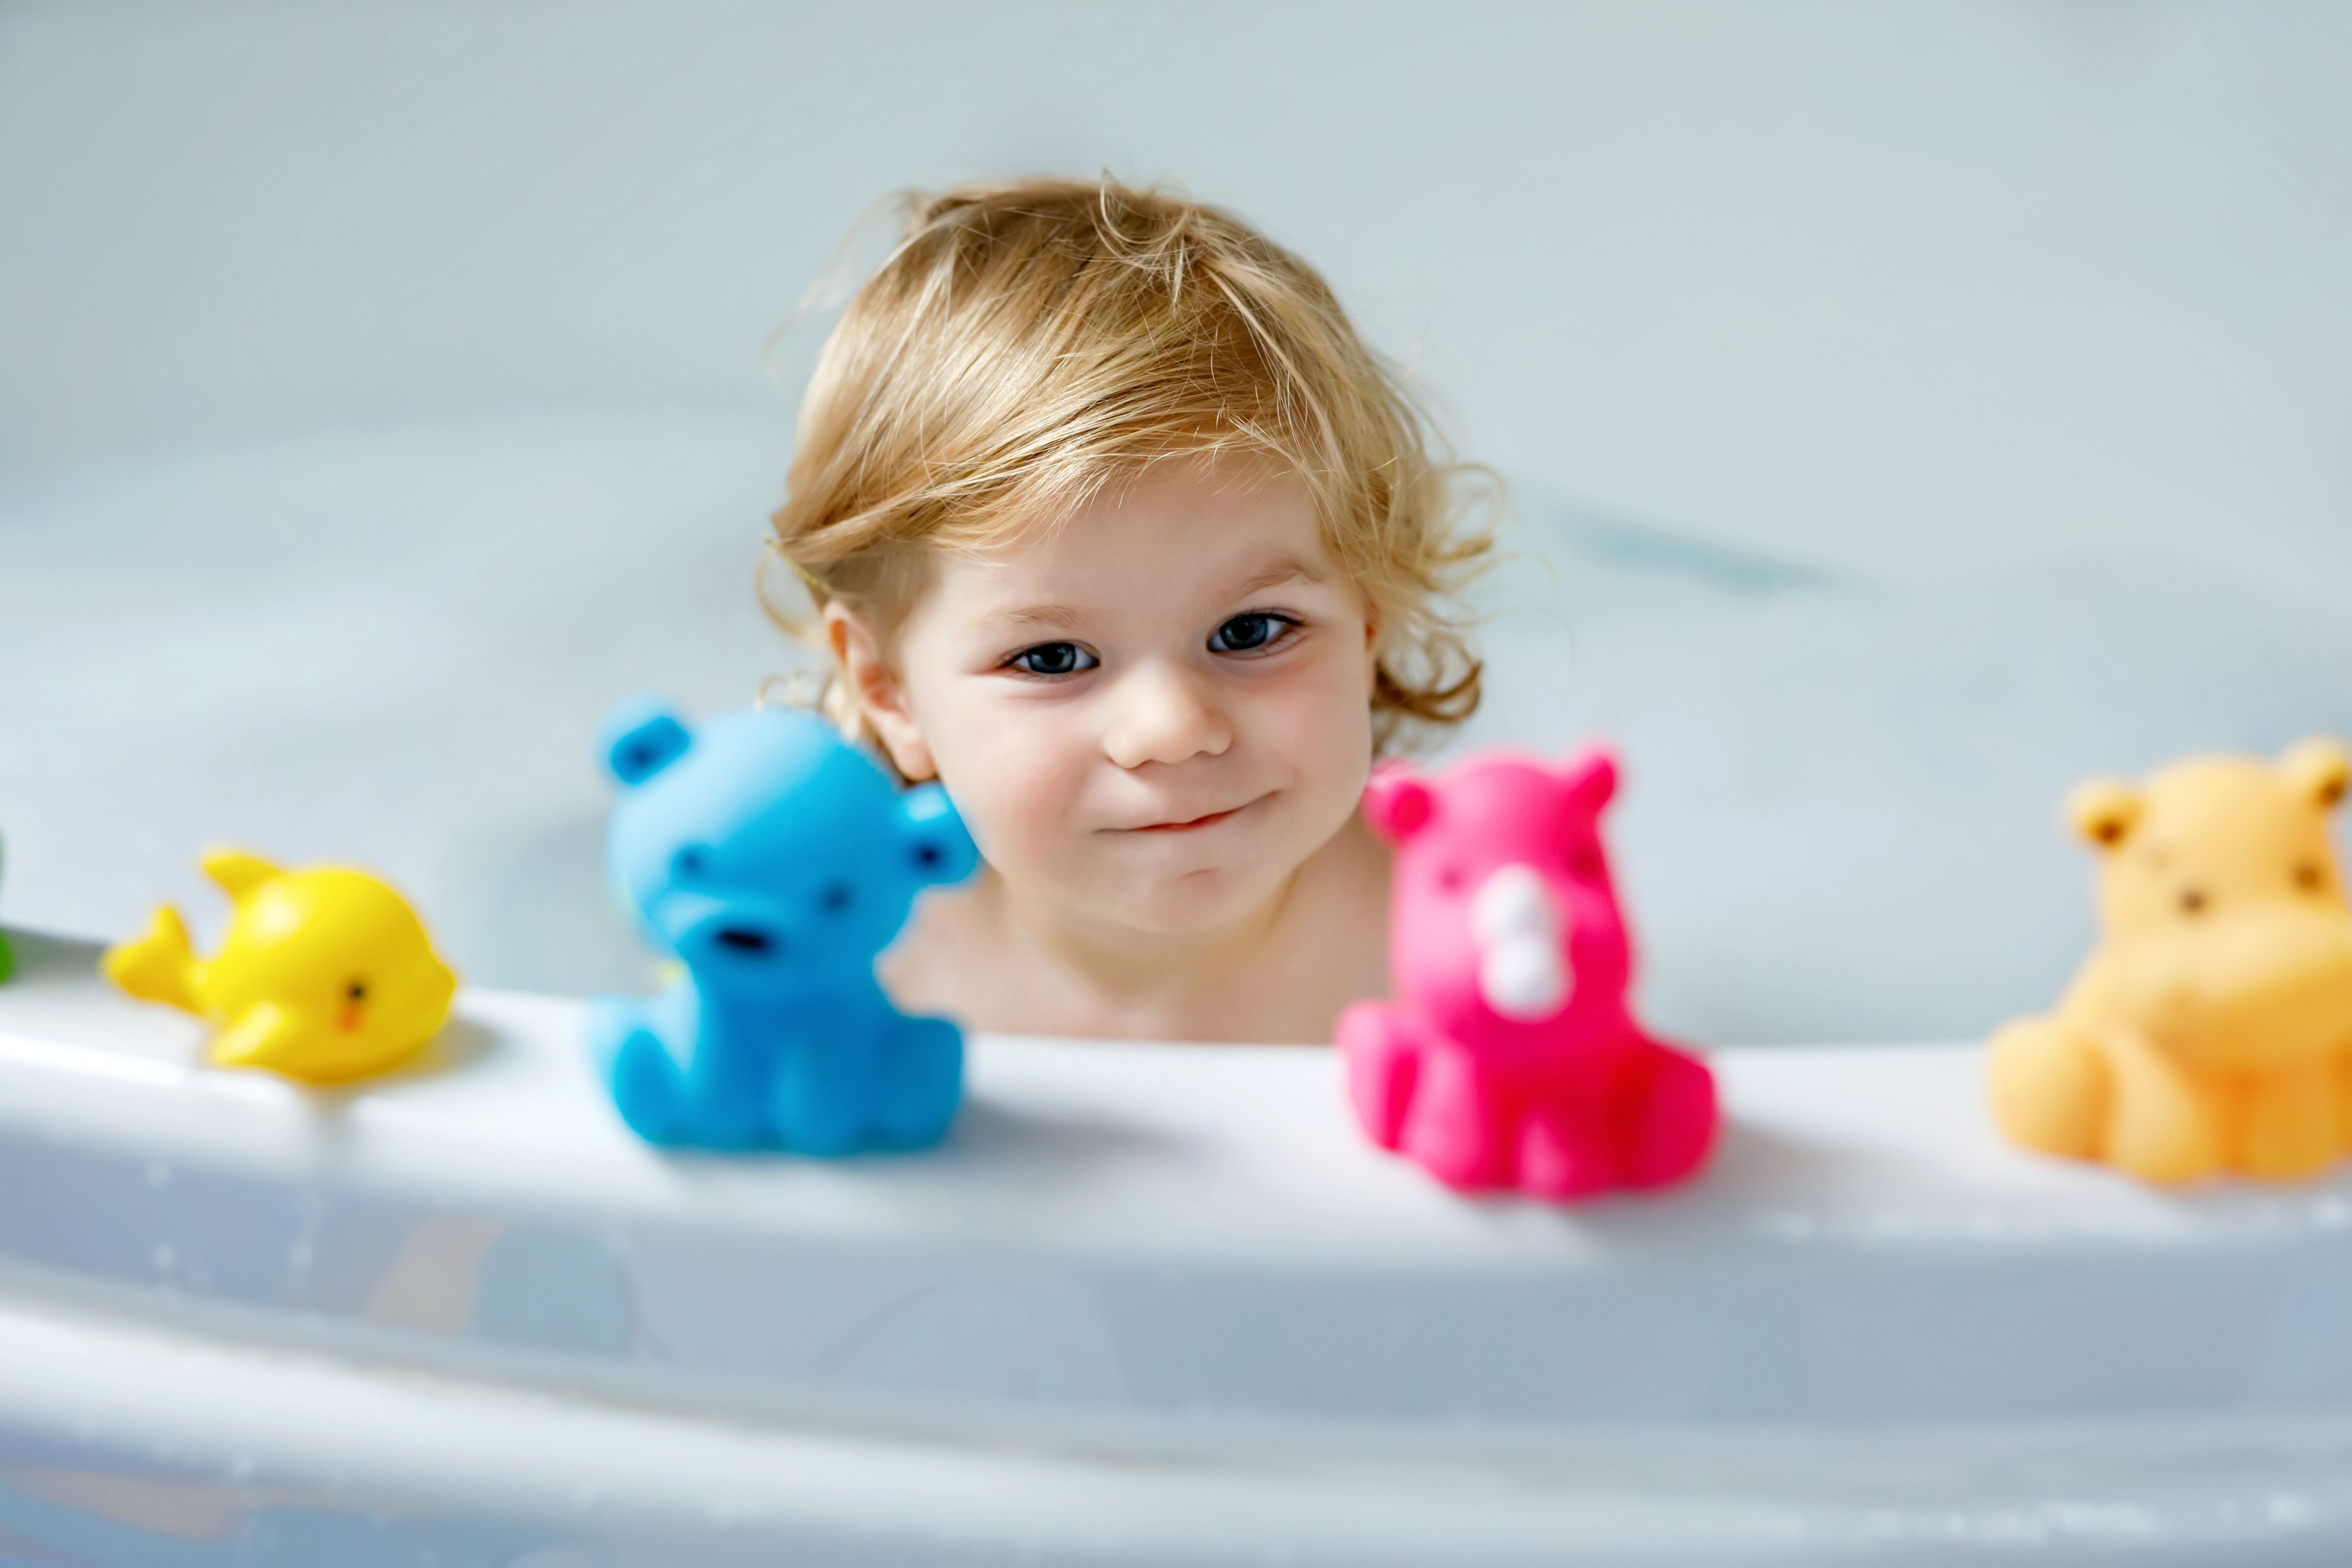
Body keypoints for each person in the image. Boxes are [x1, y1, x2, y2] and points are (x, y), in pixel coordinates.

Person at [768, 177, 1490, 1043]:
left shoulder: (1460, 932)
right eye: (1053, 658)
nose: (1173, 728)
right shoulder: (855, 952)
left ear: (1368, 625)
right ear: (889, 688)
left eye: (1251, 631)